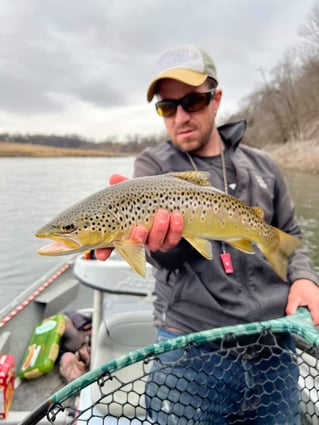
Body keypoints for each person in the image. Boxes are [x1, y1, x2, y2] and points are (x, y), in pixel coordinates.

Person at [96, 45, 319, 424]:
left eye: (192, 101)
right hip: (191, 352)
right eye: (167, 107)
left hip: (273, 348)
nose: (180, 116)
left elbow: (289, 233)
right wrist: (166, 248)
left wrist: (304, 277)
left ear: (216, 100)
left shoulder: (264, 166)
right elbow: (162, 258)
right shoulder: (152, 168)